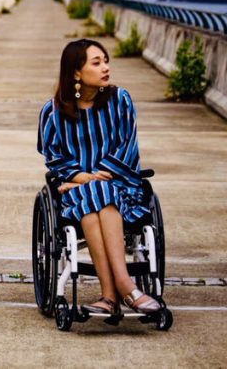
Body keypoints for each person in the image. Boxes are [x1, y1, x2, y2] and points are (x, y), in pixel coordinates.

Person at [37, 38, 161, 316]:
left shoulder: (120, 101)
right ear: (76, 73)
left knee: (100, 194)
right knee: (94, 198)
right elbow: (53, 156)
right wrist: (83, 178)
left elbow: (127, 147)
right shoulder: (54, 112)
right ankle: (124, 288)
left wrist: (94, 178)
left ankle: (112, 293)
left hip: (122, 188)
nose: (106, 68)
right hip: (78, 193)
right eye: (97, 63)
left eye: (106, 61)